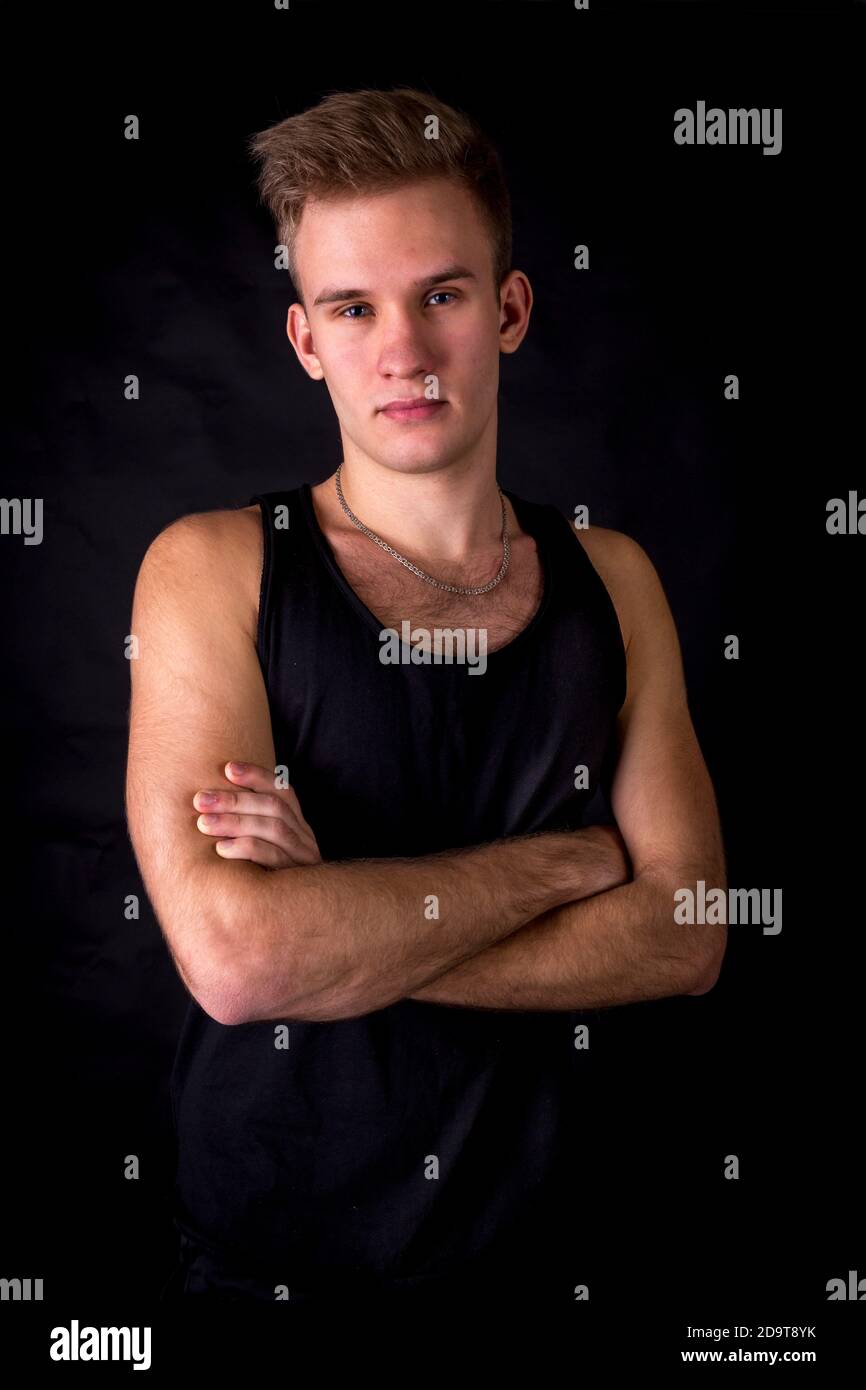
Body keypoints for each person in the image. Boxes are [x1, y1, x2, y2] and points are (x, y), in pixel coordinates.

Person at [126, 86, 727, 1308]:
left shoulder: (613, 580)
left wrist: (337, 914)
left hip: (568, 1259)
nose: (400, 350)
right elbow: (241, 964)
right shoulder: (213, 568)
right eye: (353, 307)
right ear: (307, 341)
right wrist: (567, 865)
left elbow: (691, 930)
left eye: (439, 295)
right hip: (275, 1272)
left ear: (506, 309)